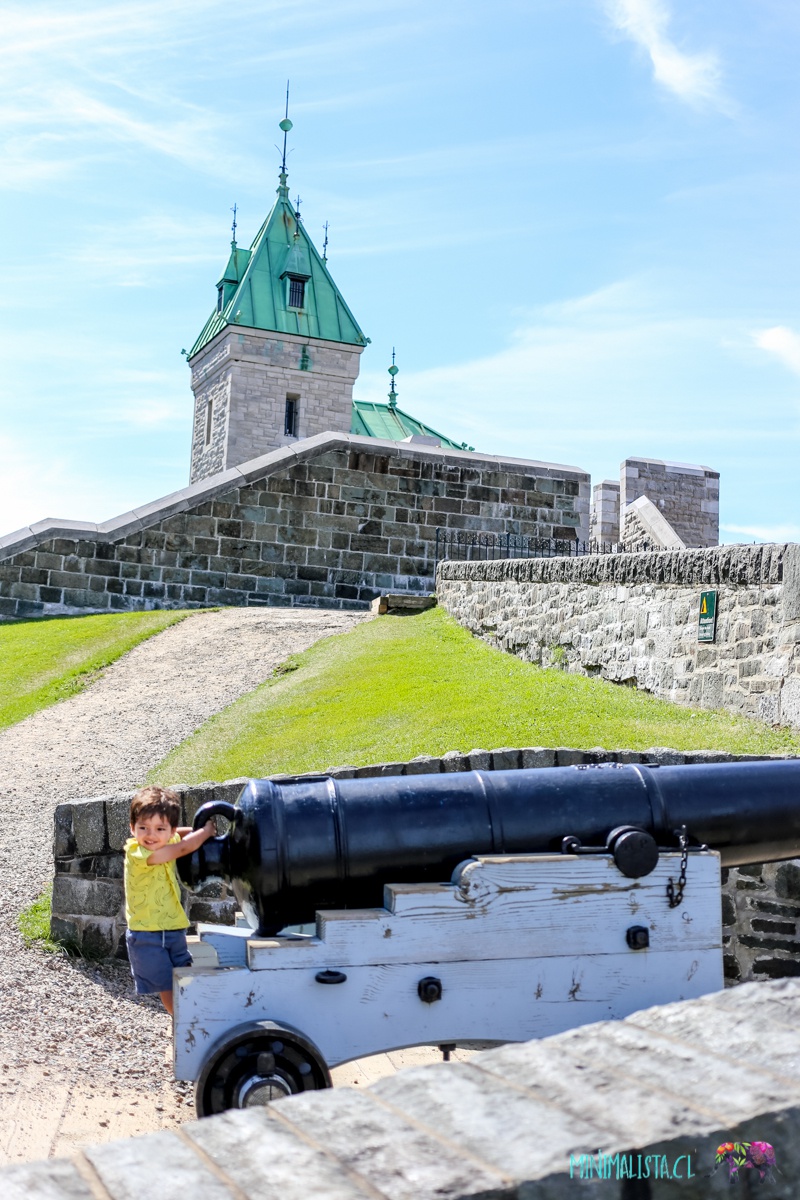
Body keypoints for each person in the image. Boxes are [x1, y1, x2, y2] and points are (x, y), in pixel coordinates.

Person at [124, 785, 216, 1016]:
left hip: (173, 928)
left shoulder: (164, 838)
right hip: (147, 934)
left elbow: (179, 835)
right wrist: (205, 831)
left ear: (169, 829)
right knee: (167, 985)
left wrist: (191, 829)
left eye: (159, 828)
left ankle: (187, 1017)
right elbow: (184, 846)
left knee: (183, 976)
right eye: (143, 827)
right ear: (132, 828)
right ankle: (181, 1021)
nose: (151, 835)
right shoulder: (138, 852)